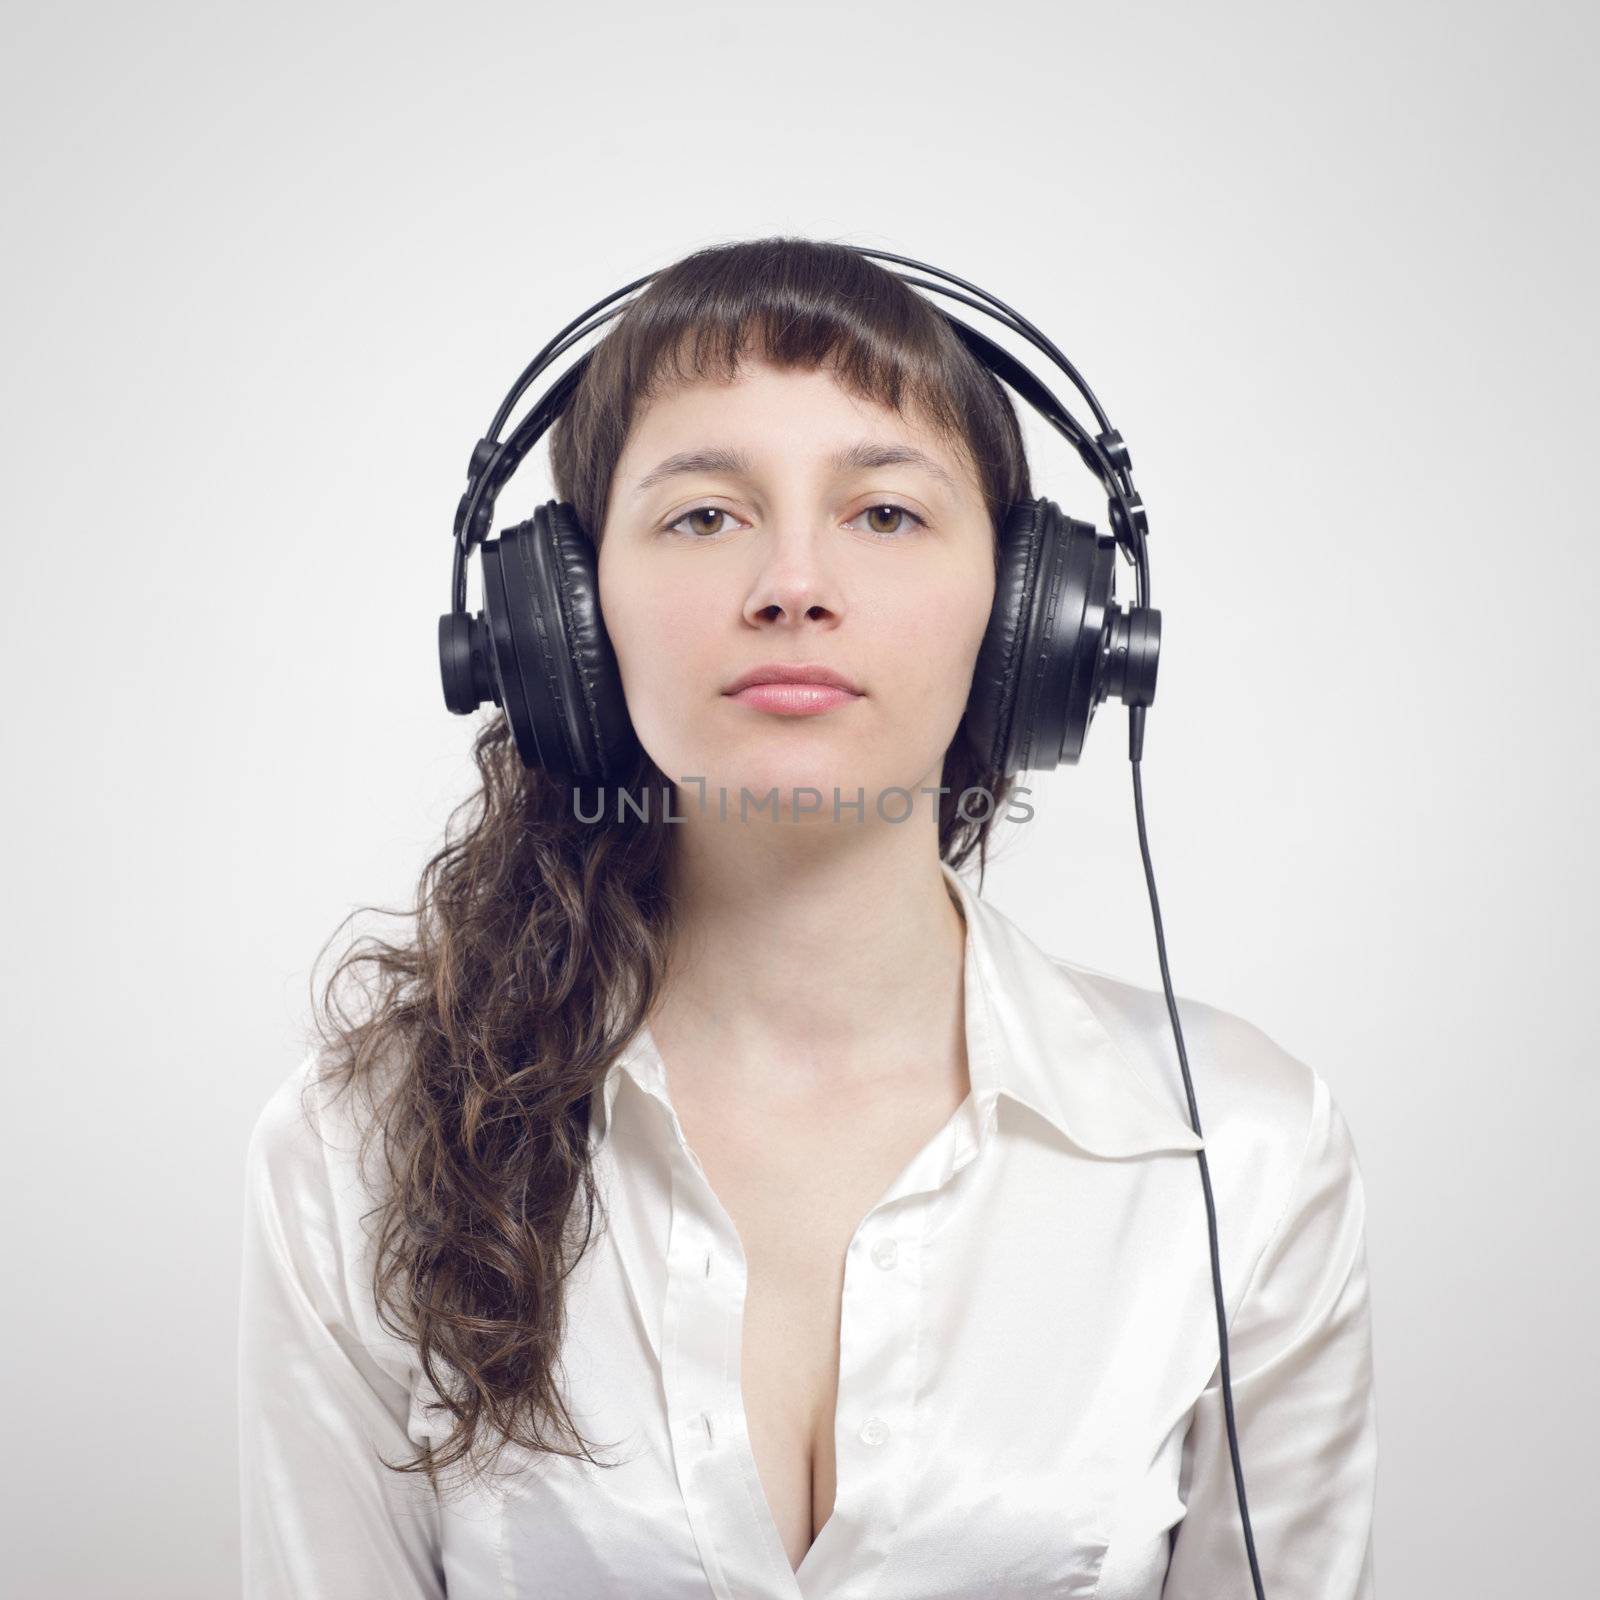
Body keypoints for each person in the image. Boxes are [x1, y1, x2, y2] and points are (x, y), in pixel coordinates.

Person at [237, 236, 1378, 1599]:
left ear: (1038, 624)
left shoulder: (1236, 1154)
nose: (793, 583)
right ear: (559, 626)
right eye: (704, 516)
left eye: (884, 514)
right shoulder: (356, 1148)